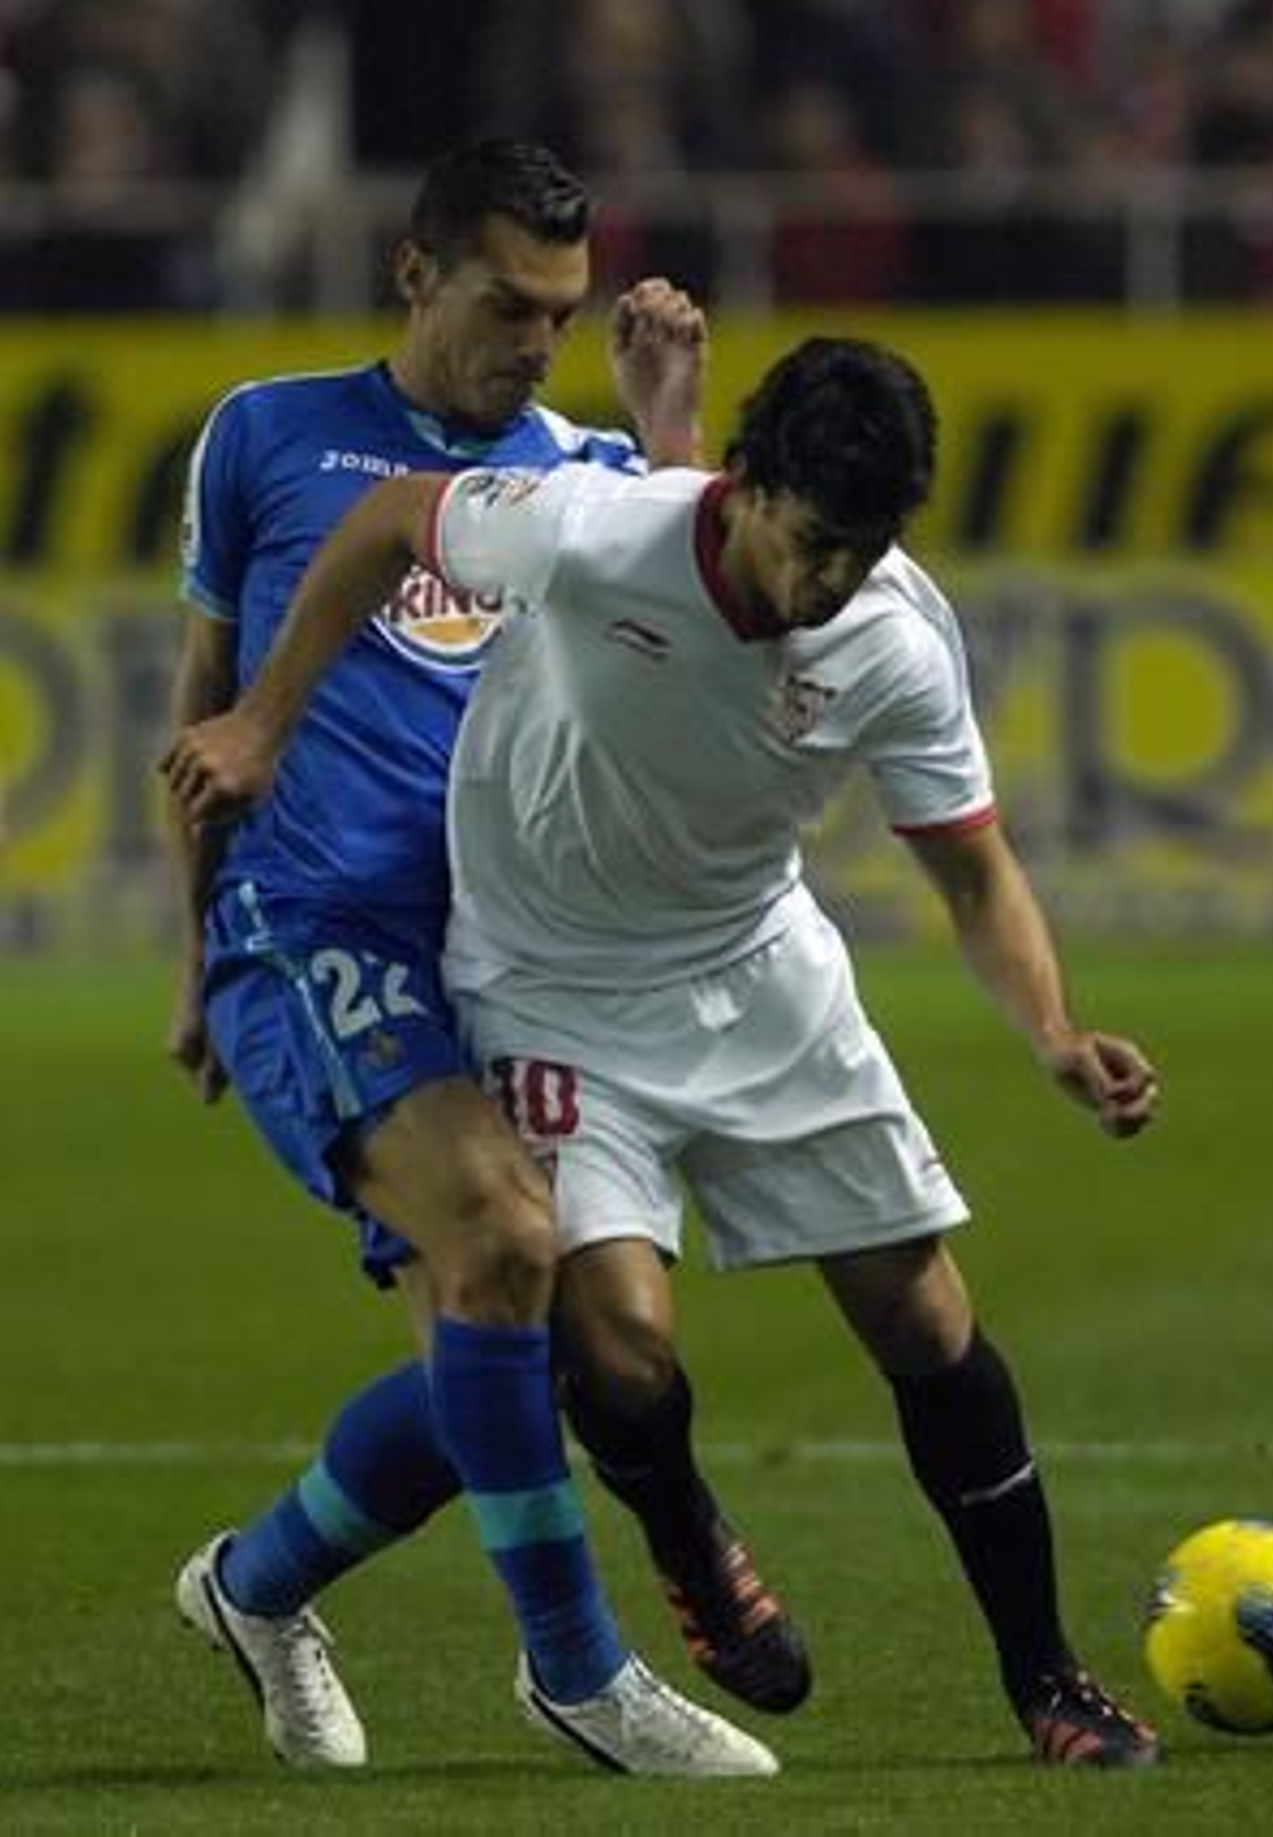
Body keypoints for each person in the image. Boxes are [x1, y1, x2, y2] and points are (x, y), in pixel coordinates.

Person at [163, 335, 1165, 1770]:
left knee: (929, 1323)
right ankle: (683, 1538)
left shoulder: (892, 628)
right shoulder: (595, 528)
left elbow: (972, 867)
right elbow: (391, 524)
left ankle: (1049, 1677)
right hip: (547, 984)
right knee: (612, 1344)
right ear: (745, 487)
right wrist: (262, 716)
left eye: (862, 549)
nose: (827, 583)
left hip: (763, 977)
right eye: (813, 542)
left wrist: (1055, 1031)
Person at [160, 136, 791, 1778]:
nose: (534, 341)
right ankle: (578, 1671)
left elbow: (690, 665)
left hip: (512, 948)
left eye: (562, 313)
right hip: (317, 921)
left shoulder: (579, 465)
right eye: (508, 304)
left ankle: (256, 1584)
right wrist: (195, 960)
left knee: (536, 1346)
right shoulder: (264, 434)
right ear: (416, 271)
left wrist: (666, 434)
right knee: (504, 1237)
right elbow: (210, 709)